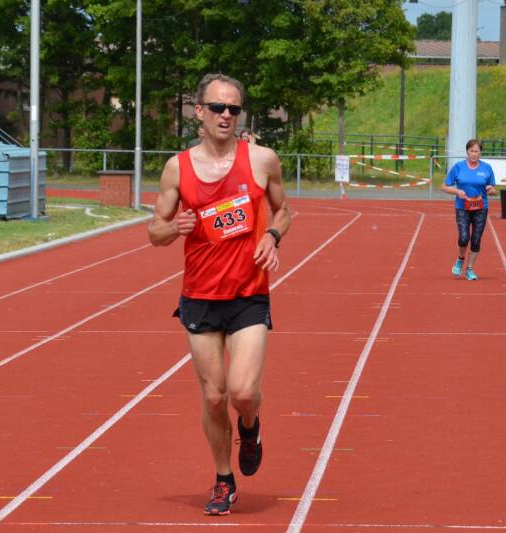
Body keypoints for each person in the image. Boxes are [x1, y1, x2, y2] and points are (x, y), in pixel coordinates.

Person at [148, 73, 290, 516]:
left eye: (234, 109)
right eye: (218, 108)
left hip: (249, 292)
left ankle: (250, 427)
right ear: (198, 112)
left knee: (243, 391)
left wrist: (271, 235)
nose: (227, 116)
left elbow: (284, 210)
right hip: (201, 296)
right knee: (214, 396)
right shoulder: (178, 167)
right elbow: (155, 231)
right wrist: (174, 229)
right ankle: (223, 479)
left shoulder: (263, 159)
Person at [440, 139, 498, 281]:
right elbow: (444, 186)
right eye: (471, 151)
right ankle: (460, 259)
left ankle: (470, 269)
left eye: (476, 151)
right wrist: (456, 191)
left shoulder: (486, 168)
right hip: (462, 207)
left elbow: (493, 189)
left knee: (476, 240)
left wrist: (491, 190)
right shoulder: (458, 167)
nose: (474, 154)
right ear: (467, 152)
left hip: (481, 208)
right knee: (464, 238)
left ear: (480, 152)